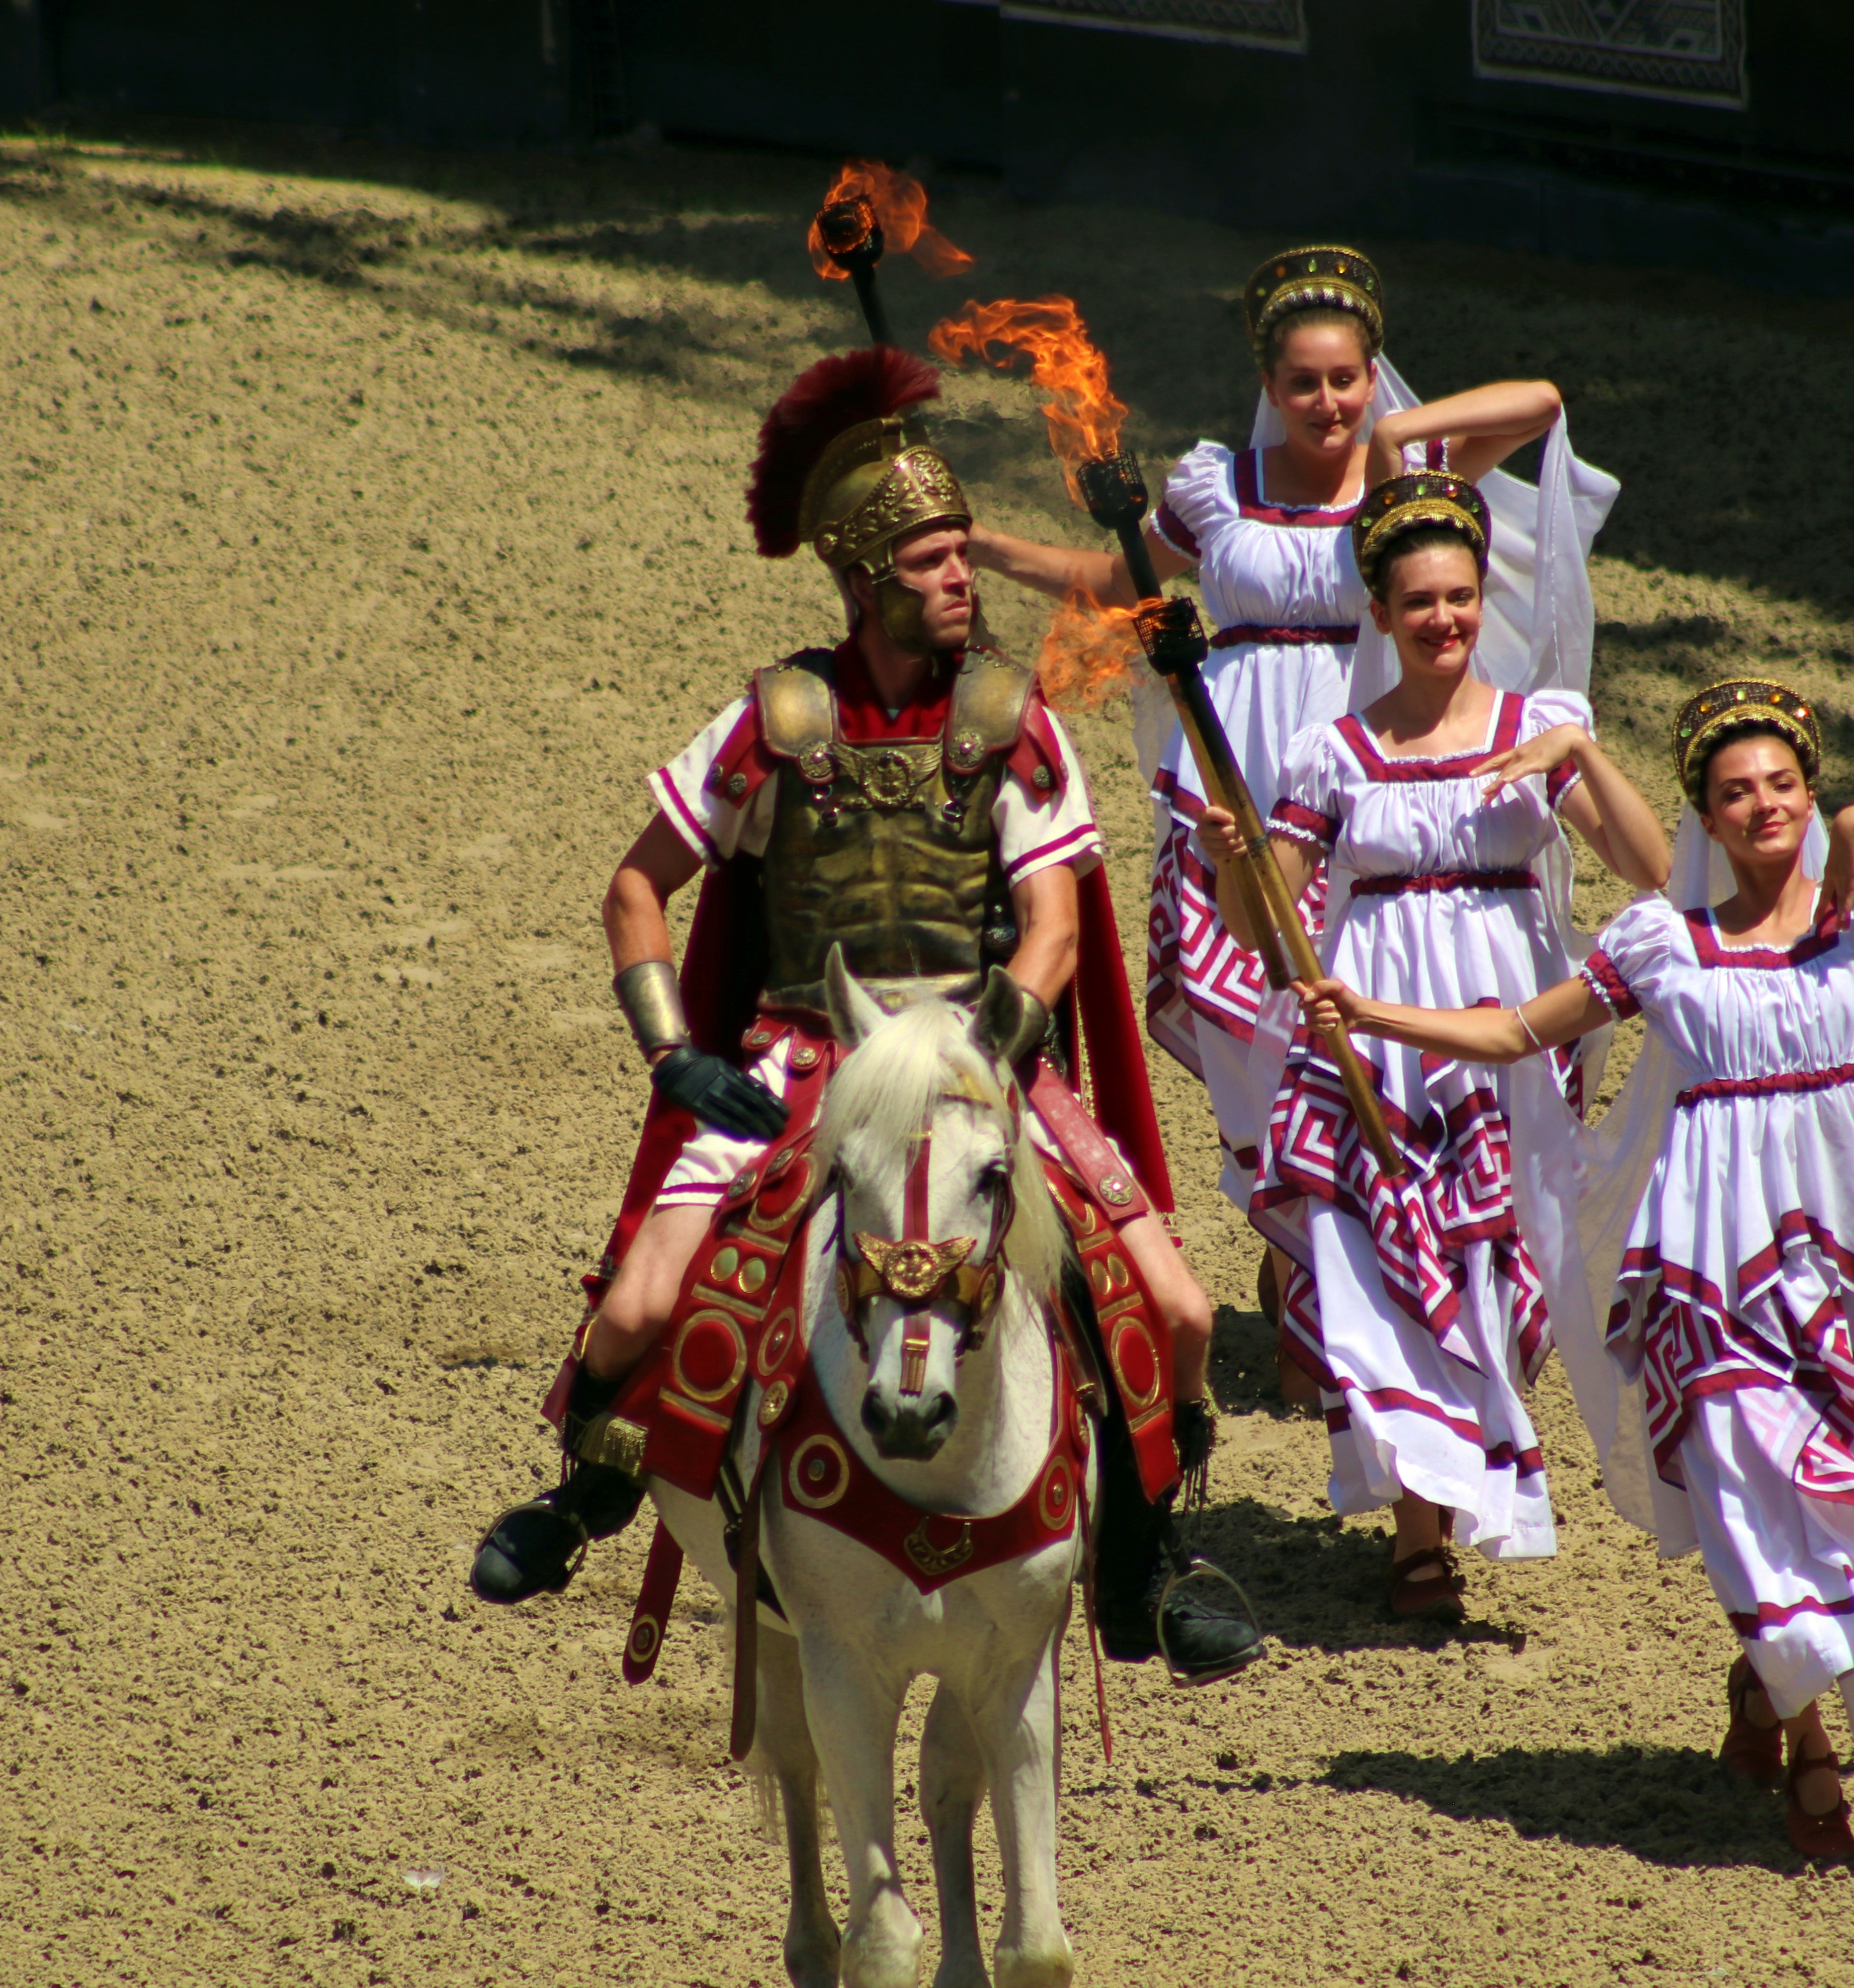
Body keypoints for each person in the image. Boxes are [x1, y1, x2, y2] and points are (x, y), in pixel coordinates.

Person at [466, 346, 1266, 1683]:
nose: (963, 578)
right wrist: (675, 1056)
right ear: (863, 580)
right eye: (934, 560)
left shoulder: (1010, 718)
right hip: (806, 1055)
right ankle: (582, 1491)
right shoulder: (775, 720)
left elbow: (1056, 923)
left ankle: (1152, 1554)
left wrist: (1004, 1035)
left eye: (963, 554)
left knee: (1178, 1310)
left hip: (978, 1050)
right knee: (641, 1302)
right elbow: (635, 889)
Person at [1293, 679, 1854, 1853]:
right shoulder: (1660, 943)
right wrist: (1367, 1014)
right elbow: (1514, 1030)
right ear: (1705, 819)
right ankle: (1813, 1750)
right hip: (1705, 1273)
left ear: (1808, 795)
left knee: (1825, 1497)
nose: (1763, 805)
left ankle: (1766, 1687)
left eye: (1782, 784)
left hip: (1834, 1270)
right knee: (1740, 1484)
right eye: (1735, 792)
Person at [973, 245, 1599, 1365]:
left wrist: (1400, 440)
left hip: (1371, 775)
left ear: (1373, 376)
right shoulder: (1217, 486)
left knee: (1361, 1006)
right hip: (1232, 776)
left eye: (1347, 378)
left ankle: (1366, 1272)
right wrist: (982, 545)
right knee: (1253, 1042)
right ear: (1267, 385)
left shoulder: (1411, 474)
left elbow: (1544, 401)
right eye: (1303, 382)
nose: (1328, 401)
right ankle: (1302, 1245)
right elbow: (1120, 579)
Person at [1189, 471, 1668, 1618]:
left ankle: (1463, 1478)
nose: (1444, 619)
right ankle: (1421, 1535)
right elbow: (1267, 927)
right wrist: (1229, 857)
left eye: (1460, 597)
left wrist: (1579, 752)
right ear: (1381, 613)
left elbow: (1651, 868)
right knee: (1390, 1264)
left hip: (1510, 1036)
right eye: (1419, 603)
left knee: (1503, 1263)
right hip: (1373, 1031)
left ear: (1480, 598)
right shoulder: (1333, 752)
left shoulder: (1536, 729)